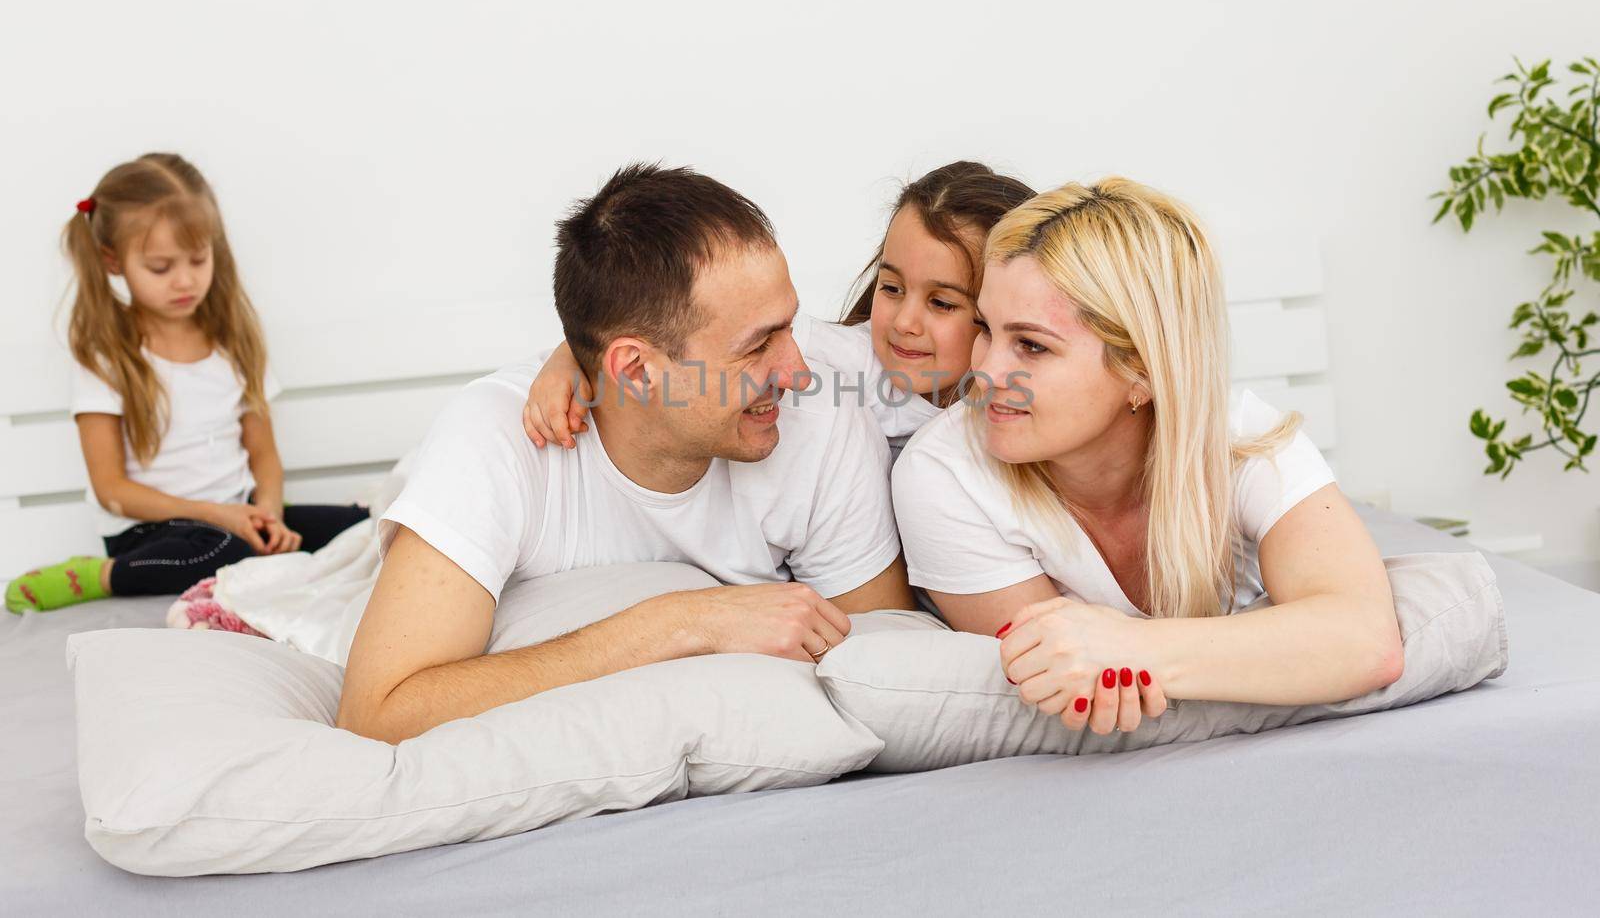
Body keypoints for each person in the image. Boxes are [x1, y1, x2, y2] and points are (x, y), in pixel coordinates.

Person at [336, 163, 916, 744]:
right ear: (635, 370)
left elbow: (895, 679)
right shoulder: (496, 441)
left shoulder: (822, 421)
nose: (796, 372)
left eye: (788, 327)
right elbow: (377, 713)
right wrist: (681, 621)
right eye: (758, 346)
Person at [892, 178, 1404, 737]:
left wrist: (1134, 645)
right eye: (985, 330)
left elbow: (1367, 640)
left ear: (1142, 370)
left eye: (1032, 345)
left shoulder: (1240, 438)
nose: (984, 373)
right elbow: (1065, 693)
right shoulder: (944, 475)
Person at [5, 153, 368, 614]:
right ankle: (99, 574)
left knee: (370, 528)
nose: (184, 280)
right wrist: (220, 515)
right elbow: (112, 489)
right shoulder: (108, 358)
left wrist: (270, 513)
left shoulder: (232, 343)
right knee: (225, 550)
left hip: (237, 512)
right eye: (161, 267)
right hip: (154, 530)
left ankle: (268, 546)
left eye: (198, 259)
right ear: (112, 261)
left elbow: (263, 453)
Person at [522, 161, 1036, 461]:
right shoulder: (848, 360)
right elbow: (641, 327)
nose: (904, 322)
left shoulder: (1025, 394)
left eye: (942, 302)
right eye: (892, 287)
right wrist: (568, 360)